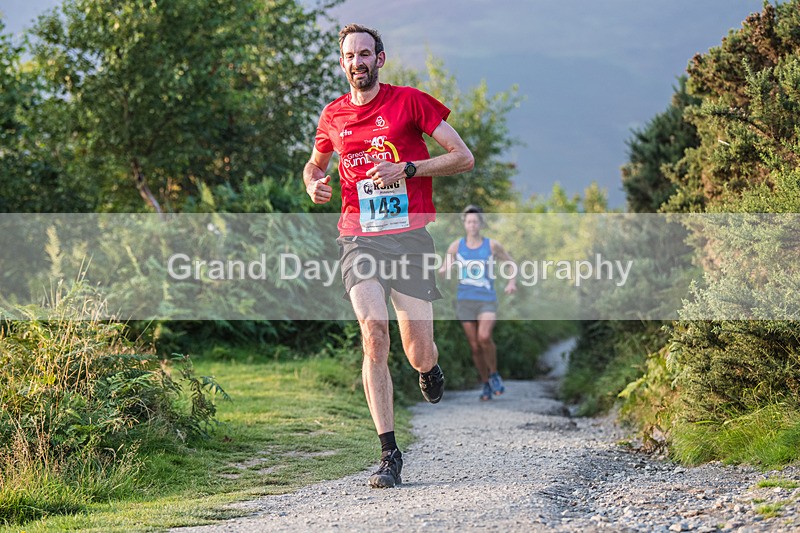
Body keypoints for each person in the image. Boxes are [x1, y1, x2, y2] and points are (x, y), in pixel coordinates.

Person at [303, 24, 474, 488]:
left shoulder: (410, 103)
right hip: (358, 238)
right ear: (343, 63)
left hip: (410, 239)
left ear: (380, 59)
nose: (357, 62)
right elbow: (315, 164)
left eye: (365, 54)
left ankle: (430, 367)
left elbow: (463, 156)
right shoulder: (333, 115)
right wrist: (312, 182)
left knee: (418, 350)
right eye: (349, 56)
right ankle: (388, 454)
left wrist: (408, 168)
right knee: (374, 333)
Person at [440, 205, 517, 401]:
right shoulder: (456, 246)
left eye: (476, 221)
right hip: (464, 300)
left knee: (484, 337)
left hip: (486, 300)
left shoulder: (491, 246)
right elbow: (445, 266)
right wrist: (442, 272)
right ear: (464, 224)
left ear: (481, 223)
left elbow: (510, 263)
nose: (472, 225)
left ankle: (494, 374)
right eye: (469, 221)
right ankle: (485, 384)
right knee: (474, 347)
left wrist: (511, 282)